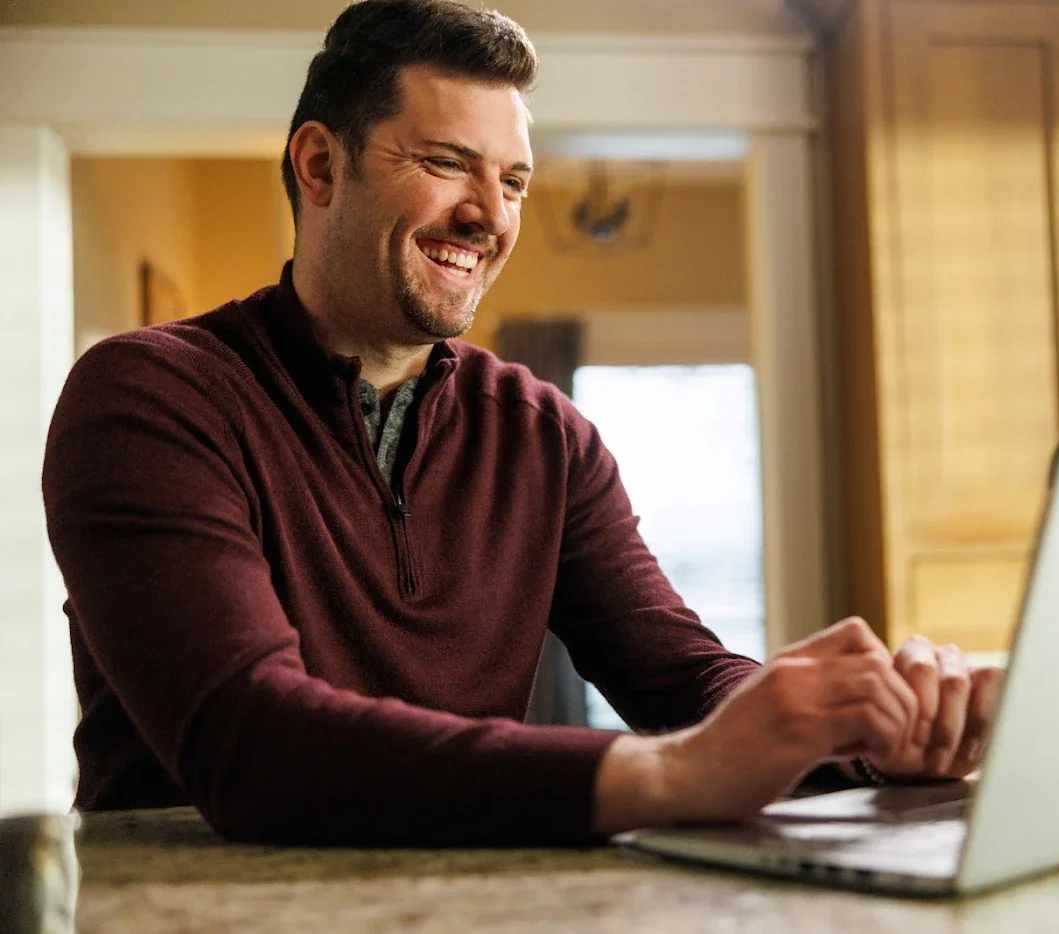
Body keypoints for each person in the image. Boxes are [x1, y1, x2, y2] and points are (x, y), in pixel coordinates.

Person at [42, 0, 1004, 847]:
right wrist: (666, 774)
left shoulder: (547, 434)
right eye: (447, 164)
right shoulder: (148, 398)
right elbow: (252, 745)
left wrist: (865, 738)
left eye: (512, 181)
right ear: (320, 164)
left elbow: (683, 678)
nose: (488, 216)